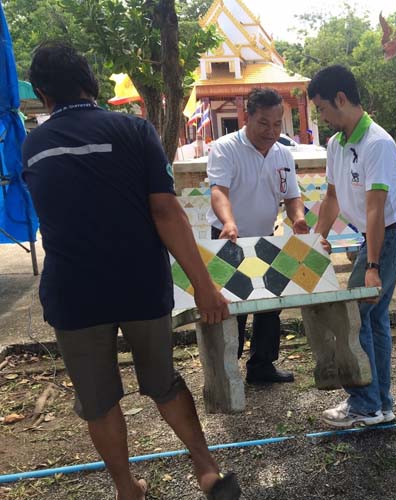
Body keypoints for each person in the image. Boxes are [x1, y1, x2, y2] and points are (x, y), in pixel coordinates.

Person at [22, 43, 240, 500]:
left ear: (43, 94)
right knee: (163, 382)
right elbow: (166, 212)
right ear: (90, 82)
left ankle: (127, 489)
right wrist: (204, 287)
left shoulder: (34, 145)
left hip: (74, 292)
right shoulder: (133, 130)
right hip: (139, 283)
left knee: (98, 399)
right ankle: (206, 469)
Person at [307, 65, 396, 428]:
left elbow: (375, 209)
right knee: (373, 319)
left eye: (322, 108)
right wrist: (315, 239)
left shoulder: (377, 143)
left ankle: (365, 404)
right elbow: (332, 198)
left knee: (352, 318)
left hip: (392, 236)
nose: (321, 117)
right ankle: (380, 404)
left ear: (340, 98)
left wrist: (371, 265)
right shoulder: (336, 145)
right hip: (378, 238)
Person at [207, 88, 308, 384]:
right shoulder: (225, 148)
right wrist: (229, 222)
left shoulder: (283, 153)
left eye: (277, 124)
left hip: (266, 237)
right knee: (231, 307)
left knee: (269, 305)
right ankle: (227, 369)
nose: (271, 131)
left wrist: (298, 218)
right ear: (247, 117)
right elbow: (218, 191)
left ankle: (262, 365)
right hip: (228, 237)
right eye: (264, 123)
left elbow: (292, 196)